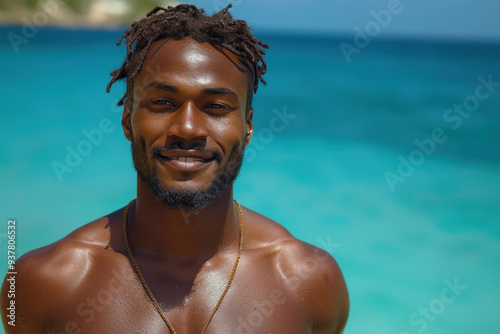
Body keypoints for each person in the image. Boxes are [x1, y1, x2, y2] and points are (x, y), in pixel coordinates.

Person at [1, 4, 349, 333]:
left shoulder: (310, 281)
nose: (187, 128)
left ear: (247, 125)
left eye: (215, 106)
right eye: (163, 102)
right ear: (127, 120)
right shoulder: (41, 283)